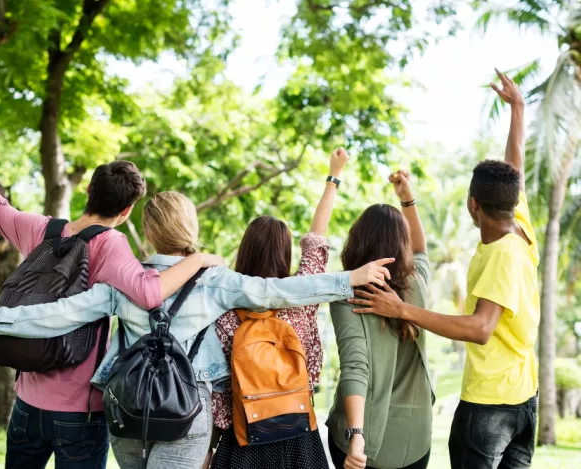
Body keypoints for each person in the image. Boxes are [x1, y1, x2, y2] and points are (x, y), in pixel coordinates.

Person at [0, 190, 393, 469]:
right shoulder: (214, 280)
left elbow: (55, 314)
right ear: (192, 228)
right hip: (187, 412)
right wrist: (348, 278)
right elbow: (281, 291)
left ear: (148, 232)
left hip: (127, 413)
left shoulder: (121, 282)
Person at [0, 122, 220, 469]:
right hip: (79, 413)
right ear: (127, 210)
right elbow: (149, 293)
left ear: (87, 190)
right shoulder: (113, 246)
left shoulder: (42, 230)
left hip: (26, 405)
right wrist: (200, 259)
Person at [349, 70, 539, 469]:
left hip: (492, 406)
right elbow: (514, 167)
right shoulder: (519, 224)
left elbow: (480, 328)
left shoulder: (503, 254)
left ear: (473, 205)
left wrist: (400, 309)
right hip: (524, 399)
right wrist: (518, 110)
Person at [210, 147, 350, 469]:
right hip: (298, 434)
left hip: (244, 437)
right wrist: (334, 175)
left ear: (244, 251)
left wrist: (210, 447)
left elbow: (219, 392)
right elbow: (316, 240)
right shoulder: (301, 301)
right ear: (284, 254)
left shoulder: (225, 309)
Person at [326, 169, 433, 469]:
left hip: (364, 441)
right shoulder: (417, 284)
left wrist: (356, 434)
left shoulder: (349, 294)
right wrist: (407, 200)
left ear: (357, 240)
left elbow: (355, 366)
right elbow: (421, 250)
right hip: (415, 440)